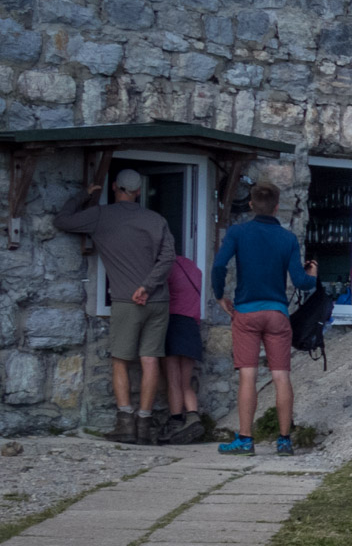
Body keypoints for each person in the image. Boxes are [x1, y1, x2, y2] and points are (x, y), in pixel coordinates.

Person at [55, 167, 175, 444]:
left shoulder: (101, 215)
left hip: (126, 300)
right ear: (138, 191)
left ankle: (125, 423)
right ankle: (145, 424)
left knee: (120, 360)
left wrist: (82, 196)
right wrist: (148, 286)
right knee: (150, 359)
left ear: (114, 188)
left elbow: (62, 221)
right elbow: (168, 259)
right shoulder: (156, 219)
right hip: (158, 300)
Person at [210, 181, 317, 456]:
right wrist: (313, 275)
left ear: (250, 205)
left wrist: (220, 295)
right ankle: (284, 441)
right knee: (281, 376)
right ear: (277, 207)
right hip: (277, 314)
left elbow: (219, 265)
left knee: (248, 376)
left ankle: (245, 439)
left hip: (246, 313)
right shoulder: (288, 239)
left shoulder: (238, 232)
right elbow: (301, 283)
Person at [161, 250, 204, 444]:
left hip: (173, 323)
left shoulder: (166, 267)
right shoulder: (194, 268)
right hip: (192, 327)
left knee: (173, 381)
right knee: (186, 382)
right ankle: (193, 416)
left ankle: (176, 421)